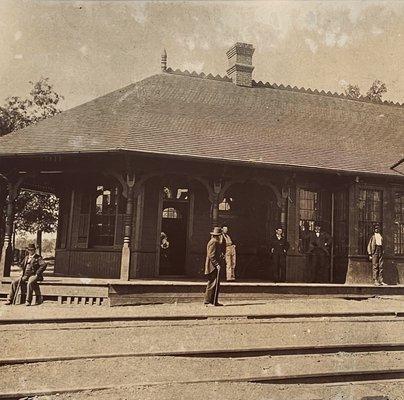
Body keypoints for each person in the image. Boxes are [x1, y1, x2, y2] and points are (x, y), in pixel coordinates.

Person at [204, 227, 224, 306]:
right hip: (212, 266)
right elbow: (211, 255)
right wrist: (217, 264)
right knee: (212, 283)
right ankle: (207, 301)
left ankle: (214, 301)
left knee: (215, 284)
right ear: (218, 235)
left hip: (213, 266)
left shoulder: (214, 241)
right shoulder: (214, 242)